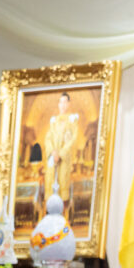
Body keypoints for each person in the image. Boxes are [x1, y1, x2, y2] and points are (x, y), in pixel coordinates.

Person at [43, 91, 78, 220]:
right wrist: (52, 152)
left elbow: (73, 139)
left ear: (68, 104)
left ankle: (63, 219)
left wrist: (61, 153)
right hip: (53, 158)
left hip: (64, 160)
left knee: (63, 184)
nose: (63, 105)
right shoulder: (53, 121)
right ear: (58, 104)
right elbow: (48, 138)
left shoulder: (72, 120)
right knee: (50, 183)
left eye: (65, 102)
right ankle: (49, 218)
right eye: (61, 102)